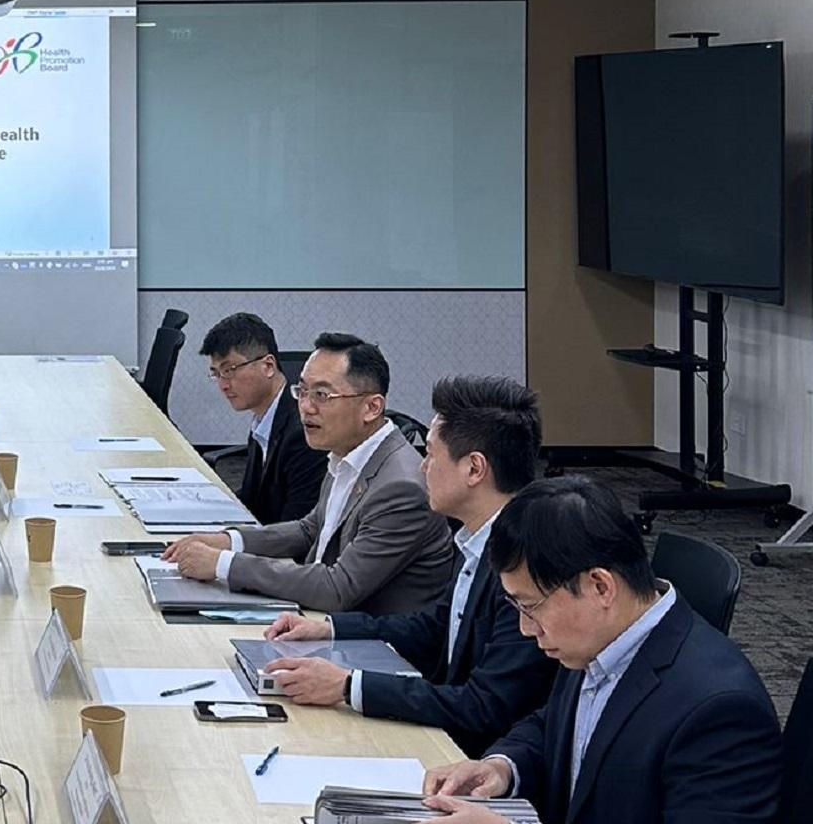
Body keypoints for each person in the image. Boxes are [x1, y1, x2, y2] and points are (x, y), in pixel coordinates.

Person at [412, 476, 795, 824]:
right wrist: (502, 765)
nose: (526, 630)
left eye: (531, 607)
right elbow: (556, 723)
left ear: (599, 586)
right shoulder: (601, 637)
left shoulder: (718, 709)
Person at [260, 375, 556, 756]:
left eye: (431, 455)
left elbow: (486, 706)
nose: (420, 469)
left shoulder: (525, 567)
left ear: (474, 469)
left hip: (478, 758)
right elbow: (435, 627)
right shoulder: (478, 539)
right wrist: (328, 628)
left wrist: (349, 686)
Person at [162, 332, 452, 614]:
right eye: (302, 391)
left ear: (371, 407)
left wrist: (224, 564)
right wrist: (228, 540)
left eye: (323, 395)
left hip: (375, 646)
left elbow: (338, 588)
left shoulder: (401, 488)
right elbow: (310, 529)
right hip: (319, 619)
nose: (306, 407)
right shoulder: (348, 451)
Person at [200, 312, 324, 524]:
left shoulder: (302, 432)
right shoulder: (264, 418)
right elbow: (254, 500)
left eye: (229, 370)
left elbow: (295, 532)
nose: (223, 384)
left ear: (267, 366)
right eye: (216, 373)